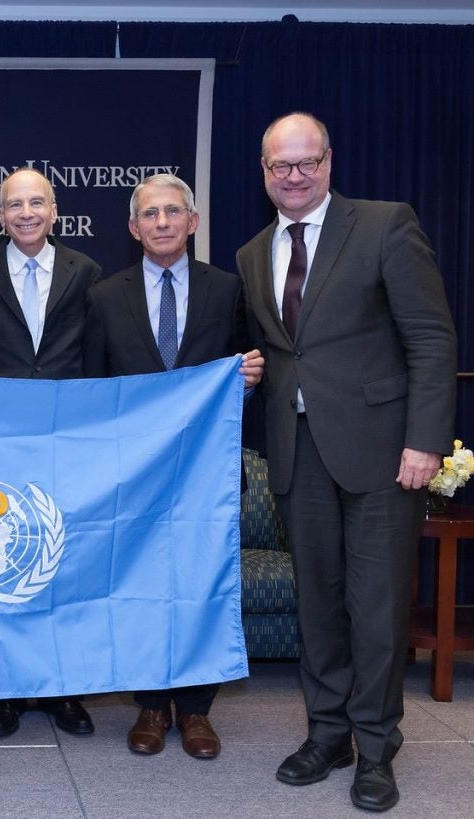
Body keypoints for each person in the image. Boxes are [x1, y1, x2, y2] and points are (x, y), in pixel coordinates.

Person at [236, 113, 456, 812]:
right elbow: (285, 352)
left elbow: (431, 337)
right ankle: (327, 734)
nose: (293, 176)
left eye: (306, 162)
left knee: (378, 608)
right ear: (264, 173)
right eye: (280, 166)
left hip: (383, 457)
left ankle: (376, 746)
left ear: (329, 162)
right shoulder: (251, 253)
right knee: (319, 607)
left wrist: (426, 440)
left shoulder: (386, 224)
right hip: (297, 459)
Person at [84, 173, 263, 761]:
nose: (162, 222)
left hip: (206, 476)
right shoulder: (104, 297)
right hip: (133, 476)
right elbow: (93, 390)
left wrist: (251, 380)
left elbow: (249, 376)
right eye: (150, 214)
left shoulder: (230, 290)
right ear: (134, 229)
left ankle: (196, 711)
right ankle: (151, 706)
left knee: (201, 590)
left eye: (173, 212)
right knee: (138, 589)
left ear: (192, 222)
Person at [0, 167, 102, 738]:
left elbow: (96, 357)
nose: (25, 213)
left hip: (66, 438)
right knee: (3, 564)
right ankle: (4, 693)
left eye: (36, 203)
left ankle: (63, 691)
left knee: (64, 566)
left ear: (55, 211)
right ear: (0, 216)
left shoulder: (88, 272)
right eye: (14, 205)